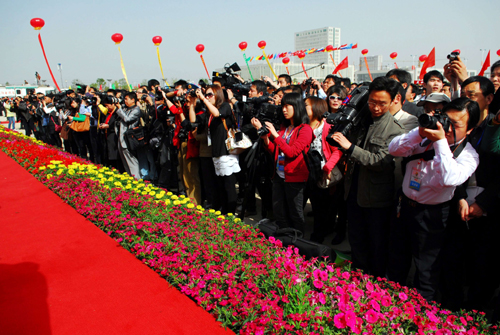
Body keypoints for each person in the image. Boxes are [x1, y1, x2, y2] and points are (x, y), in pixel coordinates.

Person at [388, 97, 480, 303]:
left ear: (470, 130)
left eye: (455, 125)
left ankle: (420, 315)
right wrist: (418, 133)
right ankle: (388, 305)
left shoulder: (469, 156)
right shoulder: (423, 140)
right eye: (446, 120)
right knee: (396, 259)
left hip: (432, 215)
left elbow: (449, 178)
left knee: (426, 270)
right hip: (404, 206)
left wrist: (439, 143)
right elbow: (393, 149)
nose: (446, 129)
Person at [331, 76, 405, 278]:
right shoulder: (362, 119)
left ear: (394, 100)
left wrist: (350, 147)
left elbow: (380, 161)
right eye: (372, 101)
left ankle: (376, 283)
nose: (376, 107)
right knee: (356, 240)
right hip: (354, 191)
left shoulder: (395, 130)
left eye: (382, 103)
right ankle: (358, 278)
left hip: (376, 198)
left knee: (376, 244)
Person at [251, 93, 313, 233]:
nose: (284, 109)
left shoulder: (305, 129)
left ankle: (298, 243)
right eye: (282, 106)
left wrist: (275, 135)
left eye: (287, 106)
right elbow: (276, 151)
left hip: (295, 177)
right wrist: (266, 137)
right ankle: (284, 240)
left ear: (297, 107)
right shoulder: (285, 128)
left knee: (295, 213)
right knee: (279, 212)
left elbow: (292, 152)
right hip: (279, 175)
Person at [196, 85, 240, 214]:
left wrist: (203, 99)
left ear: (218, 95)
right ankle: (223, 210)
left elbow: (217, 113)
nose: (207, 97)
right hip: (216, 152)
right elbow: (194, 121)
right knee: (220, 184)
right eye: (206, 94)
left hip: (226, 153)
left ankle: (231, 213)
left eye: (210, 95)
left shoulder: (225, 106)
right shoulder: (209, 113)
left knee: (228, 184)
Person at [304, 97, 342, 243]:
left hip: (325, 172)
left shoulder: (327, 126)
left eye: (306, 105)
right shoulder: (304, 125)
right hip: (309, 172)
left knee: (324, 206)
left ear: (316, 108)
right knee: (316, 204)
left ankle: (320, 234)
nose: (303, 107)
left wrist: (328, 167)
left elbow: (337, 151)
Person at [115, 92, 142, 179]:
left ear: (133, 100)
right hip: (121, 138)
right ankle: (130, 178)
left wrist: (119, 109)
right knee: (125, 161)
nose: (125, 101)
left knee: (132, 161)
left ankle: (137, 180)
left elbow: (127, 119)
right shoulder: (125, 108)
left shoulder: (136, 110)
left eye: (126, 99)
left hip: (129, 139)